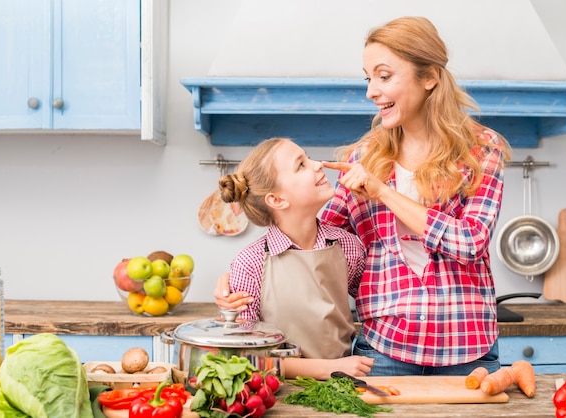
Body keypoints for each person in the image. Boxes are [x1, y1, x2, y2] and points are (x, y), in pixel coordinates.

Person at [215, 16, 512, 377]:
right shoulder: (365, 156)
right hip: (384, 352)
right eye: (368, 78)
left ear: (430, 77)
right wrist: (241, 278)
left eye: (384, 76)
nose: (371, 91)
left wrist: (382, 191)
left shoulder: (481, 150)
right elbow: (313, 238)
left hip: (467, 349)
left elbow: (471, 242)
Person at [216, 137, 374, 380]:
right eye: (301, 165)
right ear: (277, 200)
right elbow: (244, 357)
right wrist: (328, 368)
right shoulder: (251, 263)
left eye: (307, 157)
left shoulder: (348, 246)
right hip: (278, 389)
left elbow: (374, 308)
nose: (318, 165)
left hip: (344, 386)